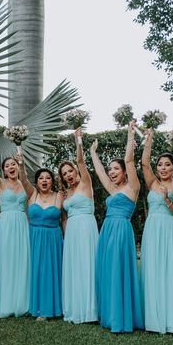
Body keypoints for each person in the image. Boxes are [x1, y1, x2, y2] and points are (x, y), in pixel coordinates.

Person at [90, 120, 143, 333]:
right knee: (107, 268)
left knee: (118, 268)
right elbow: (100, 172)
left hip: (121, 230)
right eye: (111, 169)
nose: (112, 172)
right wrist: (93, 153)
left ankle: (122, 317)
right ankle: (110, 313)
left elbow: (129, 160)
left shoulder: (133, 187)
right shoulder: (112, 189)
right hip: (108, 230)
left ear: (124, 171)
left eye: (116, 169)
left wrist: (130, 135)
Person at [140, 129, 173, 334]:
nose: (162, 168)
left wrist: (167, 199)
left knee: (169, 270)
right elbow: (144, 163)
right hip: (152, 230)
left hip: (170, 230)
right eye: (159, 164)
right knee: (152, 269)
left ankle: (171, 319)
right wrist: (149, 140)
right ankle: (153, 318)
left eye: (167, 164)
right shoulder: (152, 183)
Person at [0, 135, 33, 318]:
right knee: (6, 260)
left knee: (22, 260)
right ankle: (6, 302)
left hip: (21, 223)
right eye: (7, 166)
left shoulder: (24, 184)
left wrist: (21, 161)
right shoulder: (1, 184)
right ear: (4, 171)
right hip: (5, 225)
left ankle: (23, 302)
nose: (11, 168)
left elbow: (25, 174)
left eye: (13, 165)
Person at [59, 128, 98, 324]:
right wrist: (66, 236)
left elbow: (82, 161)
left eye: (70, 171)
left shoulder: (85, 183)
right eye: (64, 174)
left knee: (88, 263)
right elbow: (64, 217)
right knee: (74, 266)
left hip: (86, 227)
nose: (68, 175)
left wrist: (79, 141)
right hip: (72, 232)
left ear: (76, 171)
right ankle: (76, 306)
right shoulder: (66, 194)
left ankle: (91, 308)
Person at [27, 168, 63, 320]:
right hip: (33, 237)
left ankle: (50, 307)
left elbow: (66, 218)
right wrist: (21, 163)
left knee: (50, 271)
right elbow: (22, 178)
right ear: (36, 182)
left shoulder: (60, 196)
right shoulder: (32, 194)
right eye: (41, 178)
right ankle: (35, 306)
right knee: (35, 271)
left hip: (53, 238)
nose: (44, 180)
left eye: (48, 178)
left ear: (52, 181)